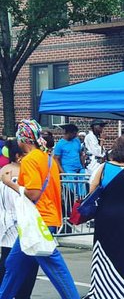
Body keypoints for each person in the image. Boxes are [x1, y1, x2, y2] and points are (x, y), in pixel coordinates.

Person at [0, 119, 80, 299]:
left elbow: (33, 193)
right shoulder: (47, 158)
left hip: (37, 220)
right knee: (14, 263)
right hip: (45, 218)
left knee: (53, 266)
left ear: (24, 139)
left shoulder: (29, 160)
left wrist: (9, 183)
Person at [85, 134, 124, 298]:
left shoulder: (104, 168)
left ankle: (103, 289)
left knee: (103, 249)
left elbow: (92, 190)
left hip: (107, 213)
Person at [0, 140, 32, 299]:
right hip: (19, 225)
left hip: (5, 225)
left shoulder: (3, 170)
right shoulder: (20, 173)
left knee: (6, 265)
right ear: (19, 156)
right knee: (24, 268)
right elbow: (24, 199)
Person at [54, 123, 86, 196]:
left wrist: (83, 166)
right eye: (74, 133)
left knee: (82, 191)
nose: (76, 135)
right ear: (69, 133)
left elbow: (80, 153)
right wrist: (62, 172)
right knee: (70, 192)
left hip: (79, 169)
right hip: (68, 171)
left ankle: (81, 203)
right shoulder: (60, 144)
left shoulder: (76, 141)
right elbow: (56, 159)